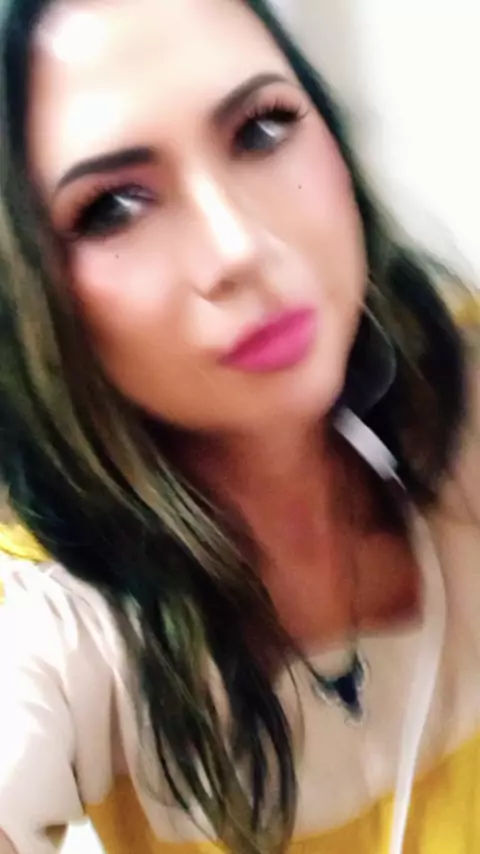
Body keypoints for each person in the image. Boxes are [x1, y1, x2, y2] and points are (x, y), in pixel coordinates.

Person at [0, 1, 479, 852]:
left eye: (261, 130)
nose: (238, 248)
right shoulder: (50, 612)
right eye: (113, 207)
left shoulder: (462, 399)